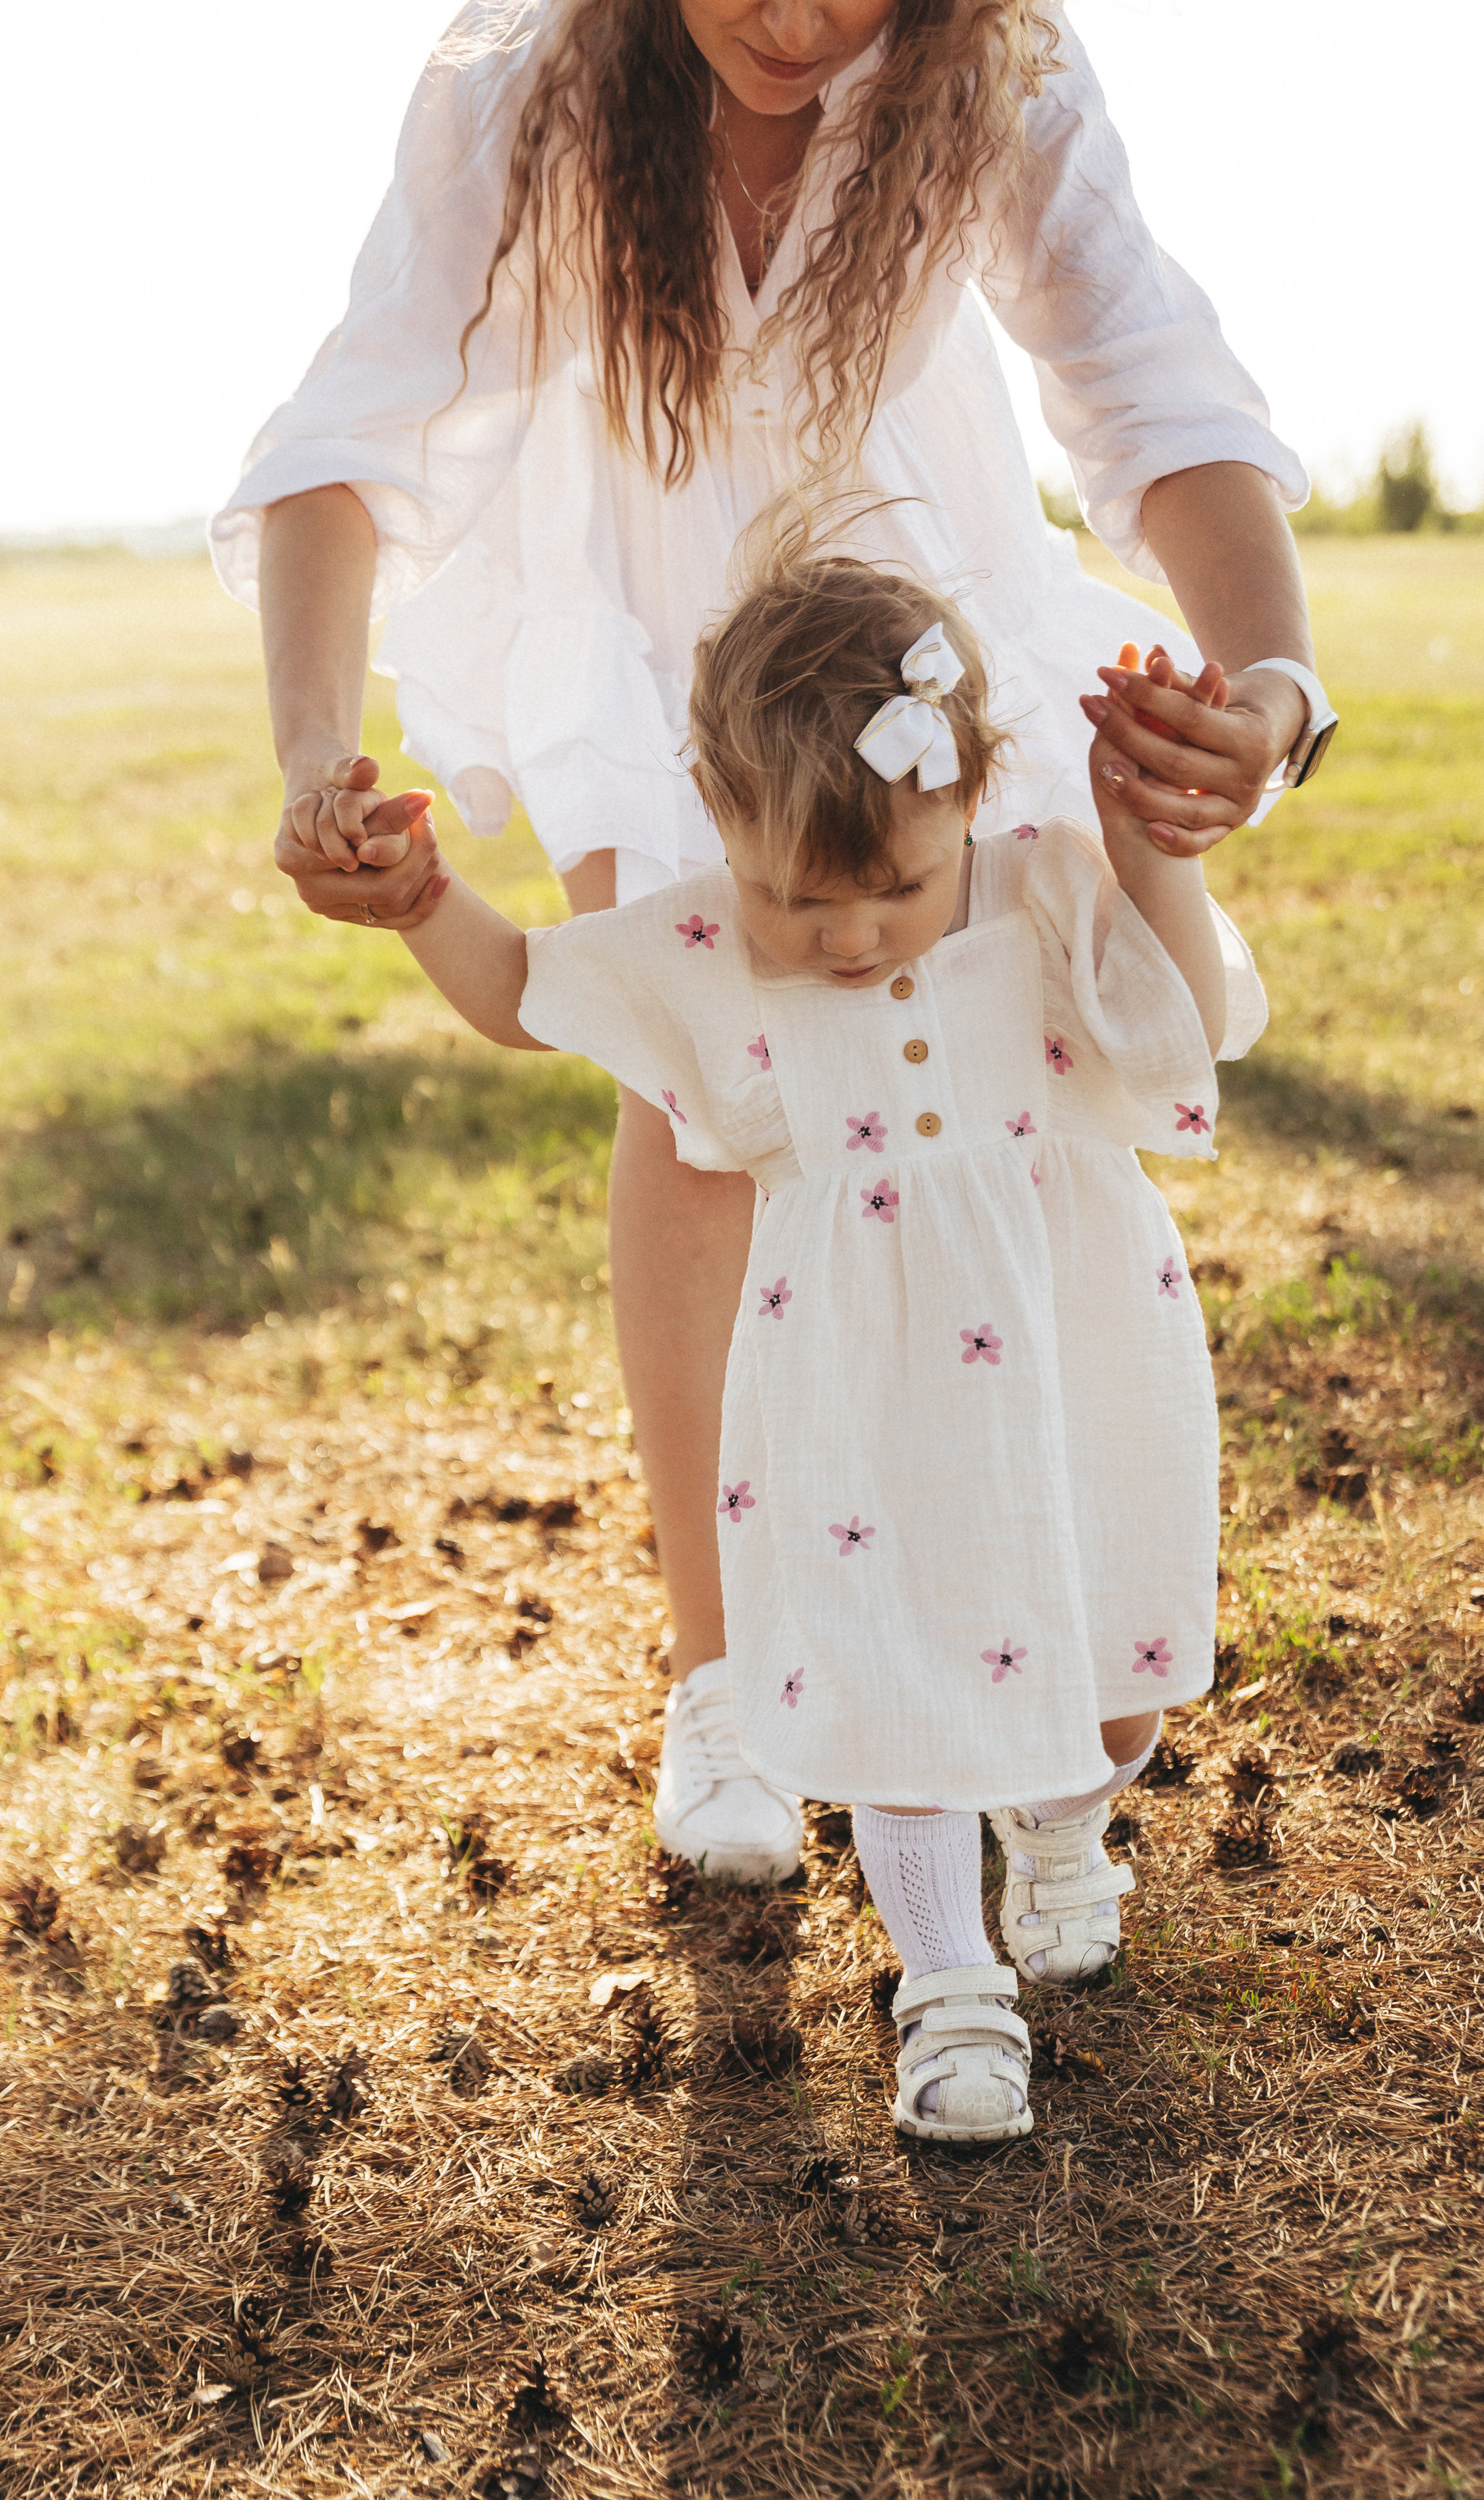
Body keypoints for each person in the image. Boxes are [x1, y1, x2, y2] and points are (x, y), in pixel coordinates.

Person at [211, 0, 1323, 1883]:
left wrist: (1279, 686)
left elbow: (1153, 386)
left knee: (1008, 1113)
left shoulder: (1000, 78)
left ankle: (1011, 1604)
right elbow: (354, 424)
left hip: (908, 655)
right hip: (649, 663)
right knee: (704, 1098)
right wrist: (321, 751)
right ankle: (731, 1674)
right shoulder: (519, 92)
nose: (800, 20)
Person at [379, 536, 1267, 2141]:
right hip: (853, 1380)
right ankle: (947, 1990)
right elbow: (522, 990)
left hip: (1072, 1349)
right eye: (805, 898)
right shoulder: (709, 938)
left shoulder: (1046, 887)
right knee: (889, 1677)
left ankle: (1066, 1832)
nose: (854, 939)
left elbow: (1185, 1031)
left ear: (972, 801)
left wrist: (1157, 858)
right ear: (722, 824)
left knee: (1106, 1675)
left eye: (896, 892)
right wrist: (425, 894)